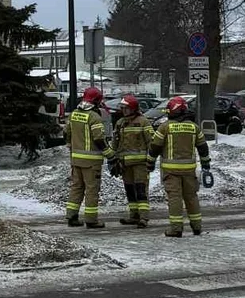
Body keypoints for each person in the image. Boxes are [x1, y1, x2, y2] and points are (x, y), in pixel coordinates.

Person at [149, 96, 212, 237]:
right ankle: (197, 227)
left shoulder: (165, 127)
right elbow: (203, 148)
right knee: (191, 197)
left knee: (175, 198)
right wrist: (206, 164)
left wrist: (150, 162)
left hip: (171, 171)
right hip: (189, 170)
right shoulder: (194, 127)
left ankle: (176, 229)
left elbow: (155, 147)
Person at [66, 87, 116, 228]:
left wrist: (71, 146)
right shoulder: (94, 117)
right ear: (97, 101)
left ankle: (71, 216)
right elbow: (99, 139)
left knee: (76, 188)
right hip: (91, 162)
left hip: (76, 160)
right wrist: (110, 154)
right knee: (92, 190)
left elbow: (66, 132)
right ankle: (91, 219)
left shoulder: (74, 114)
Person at [112, 94, 153, 227]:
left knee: (141, 190)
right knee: (129, 189)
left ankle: (144, 217)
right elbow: (115, 143)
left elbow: (151, 142)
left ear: (133, 108)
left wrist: (150, 160)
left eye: (126, 108)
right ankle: (134, 215)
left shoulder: (143, 122)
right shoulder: (120, 123)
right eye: (123, 108)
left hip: (140, 164)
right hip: (125, 164)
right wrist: (114, 160)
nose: (124, 111)